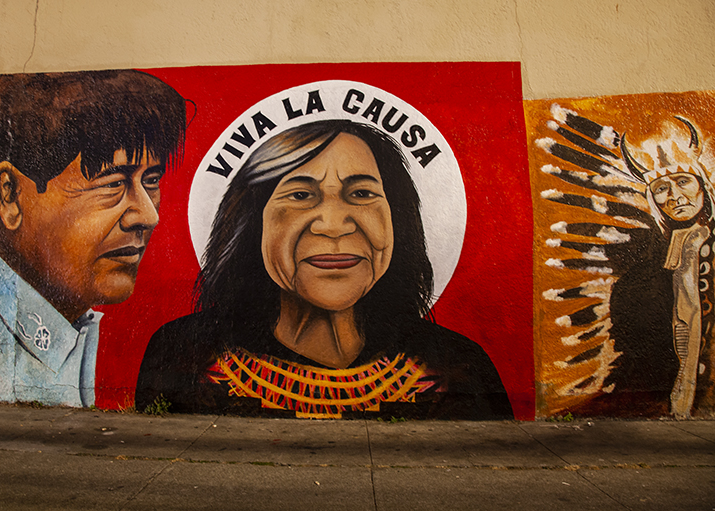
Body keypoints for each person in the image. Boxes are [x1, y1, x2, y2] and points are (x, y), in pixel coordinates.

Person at [136, 119, 512, 419]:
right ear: (253, 225)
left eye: (362, 193)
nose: (333, 225)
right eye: (301, 195)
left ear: (397, 220)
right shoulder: (185, 353)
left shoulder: (456, 365)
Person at [0, 70, 186, 407]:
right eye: (113, 182)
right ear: (10, 195)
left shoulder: (66, 315)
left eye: (152, 180)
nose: (148, 216)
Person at [612, 116, 715, 417]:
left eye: (683, 181)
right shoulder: (655, 263)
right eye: (661, 188)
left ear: (702, 187)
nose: (675, 197)